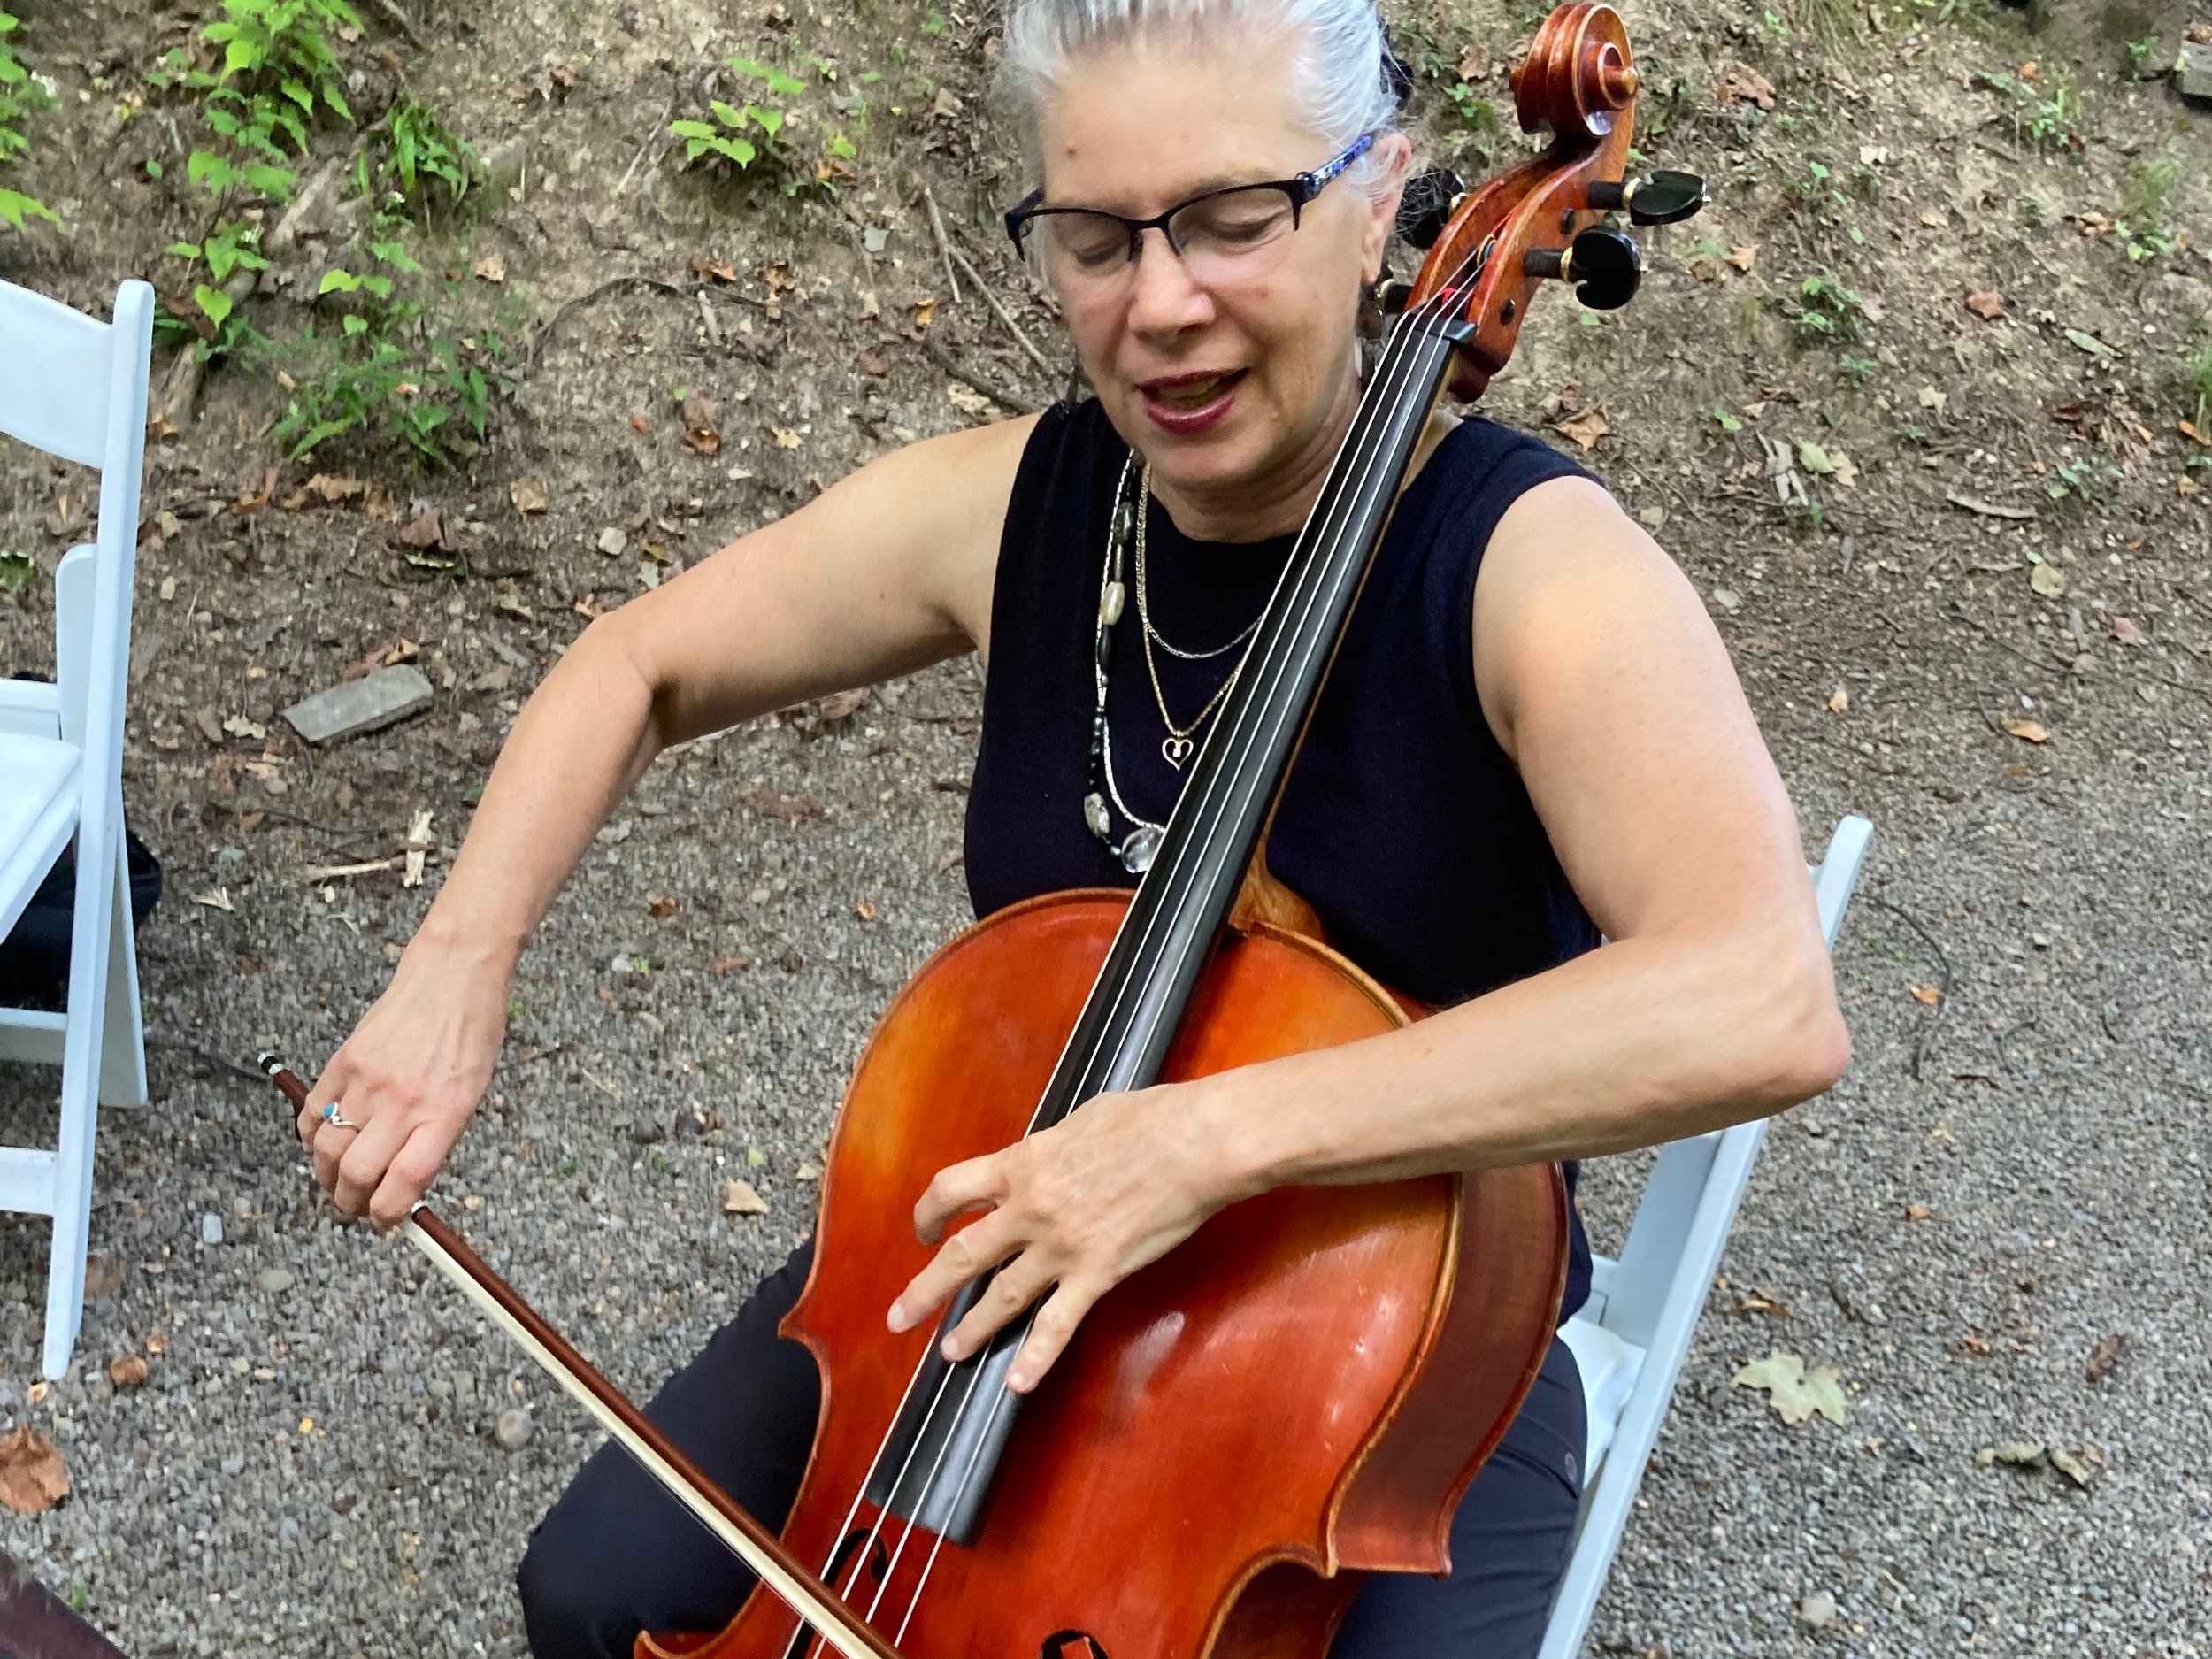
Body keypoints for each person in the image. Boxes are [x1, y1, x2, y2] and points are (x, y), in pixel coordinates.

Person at [296, 1, 1851, 1653]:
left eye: (1237, 220)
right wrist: (456, 968)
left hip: (1382, 1338)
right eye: (1098, 239)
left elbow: (1760, 994)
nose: (1164, 306)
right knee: (598, 1592)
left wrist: (1200, 1141)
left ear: (1381, 192)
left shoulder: (1534, 573)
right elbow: (639, 661)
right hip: (1014, 1247)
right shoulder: (1021, 507)